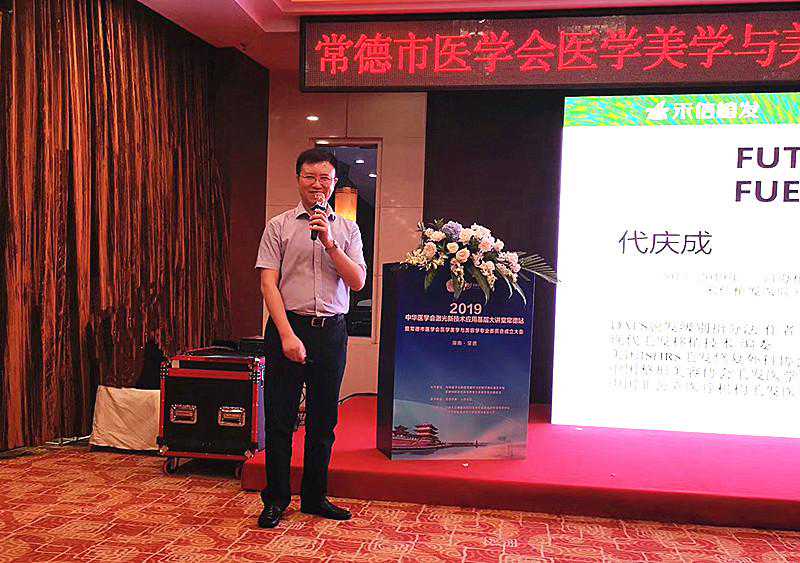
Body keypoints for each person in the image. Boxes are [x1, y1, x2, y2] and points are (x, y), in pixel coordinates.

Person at [254, 148, 367, 528]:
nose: (317, 185)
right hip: (288, 327)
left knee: (323, 421)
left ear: (334, 184)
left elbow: (357, 282)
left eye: (325, 179)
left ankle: (315, 497)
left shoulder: (348, 230)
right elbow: (268, 283)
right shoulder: (279, 226)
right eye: (310, 177)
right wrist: (287, 335)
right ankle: (276, 499)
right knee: (281, 418)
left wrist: (330, 242)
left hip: (331, 332)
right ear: (298, 179)